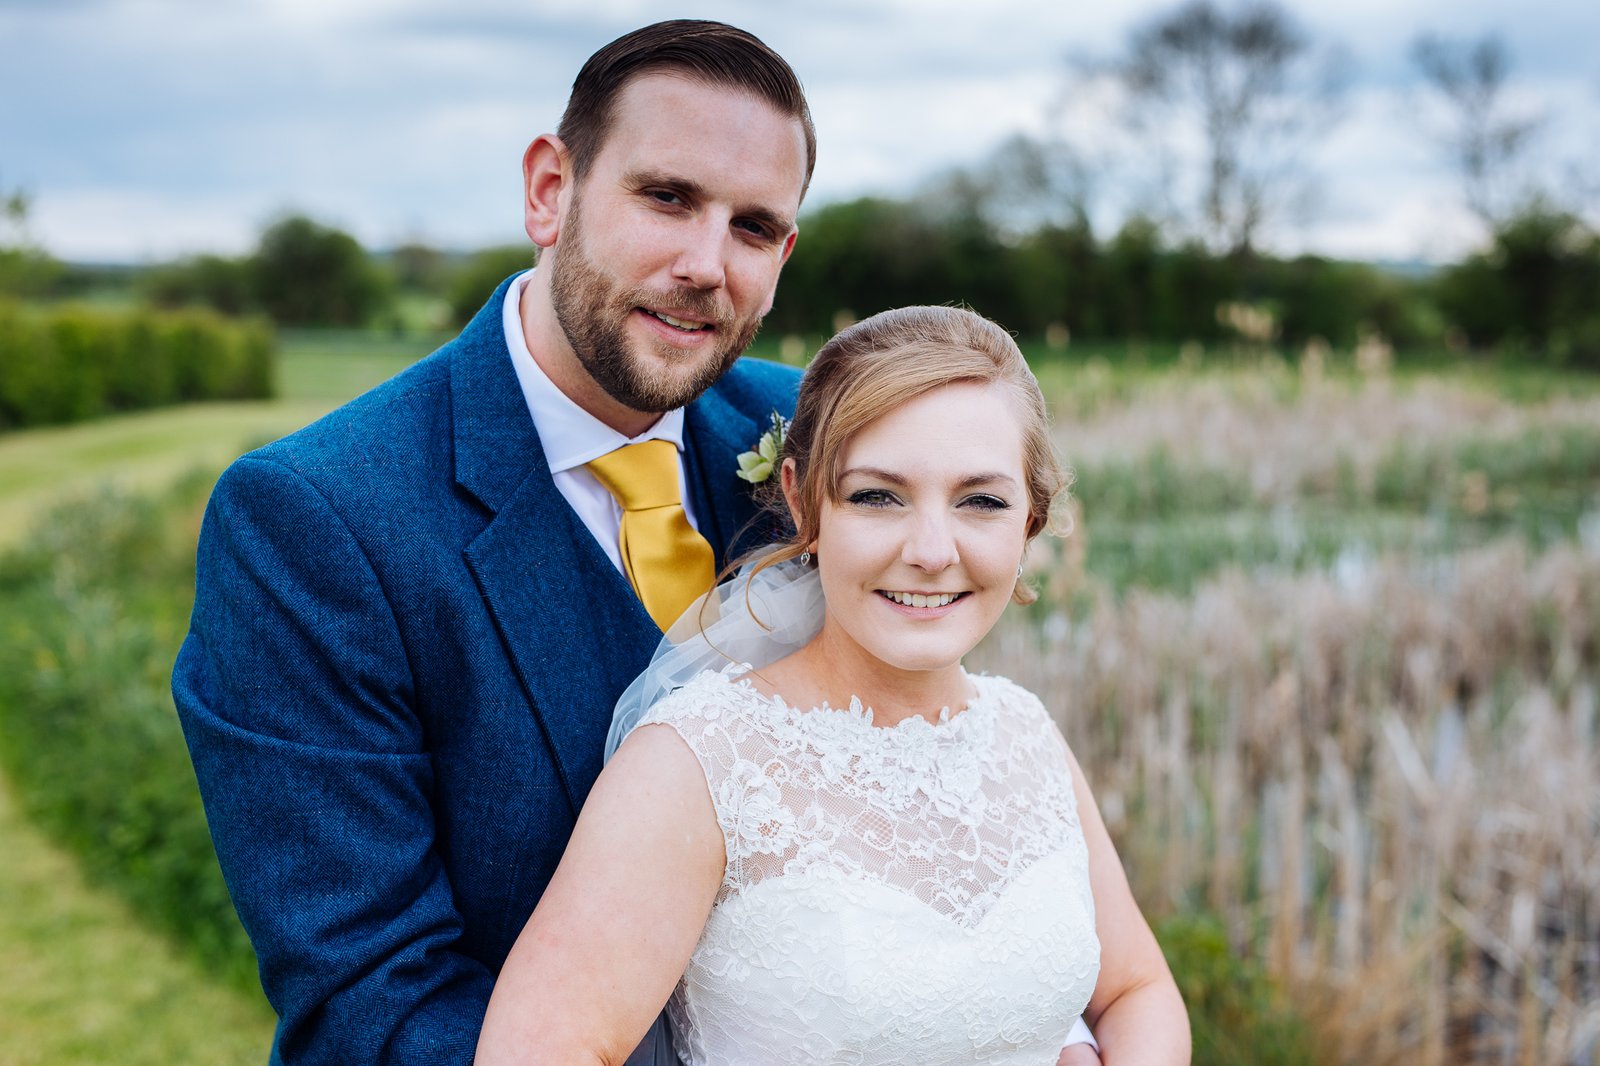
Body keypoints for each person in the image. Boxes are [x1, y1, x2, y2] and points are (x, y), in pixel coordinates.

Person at [172, 20, 817, 1065]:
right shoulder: (310, 522)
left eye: (752, 226)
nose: (706, 263)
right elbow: (374, 1002)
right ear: (548, 192)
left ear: (782, 256)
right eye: (666, 197)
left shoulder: (821, 444)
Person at [474, 306, 1189, 1064]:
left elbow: (1136, 990)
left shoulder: (1027, 734)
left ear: (1030, 523)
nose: (931, 550)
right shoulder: (698, 763)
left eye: (981, 501)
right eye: (878, 496)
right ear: (805, 499)